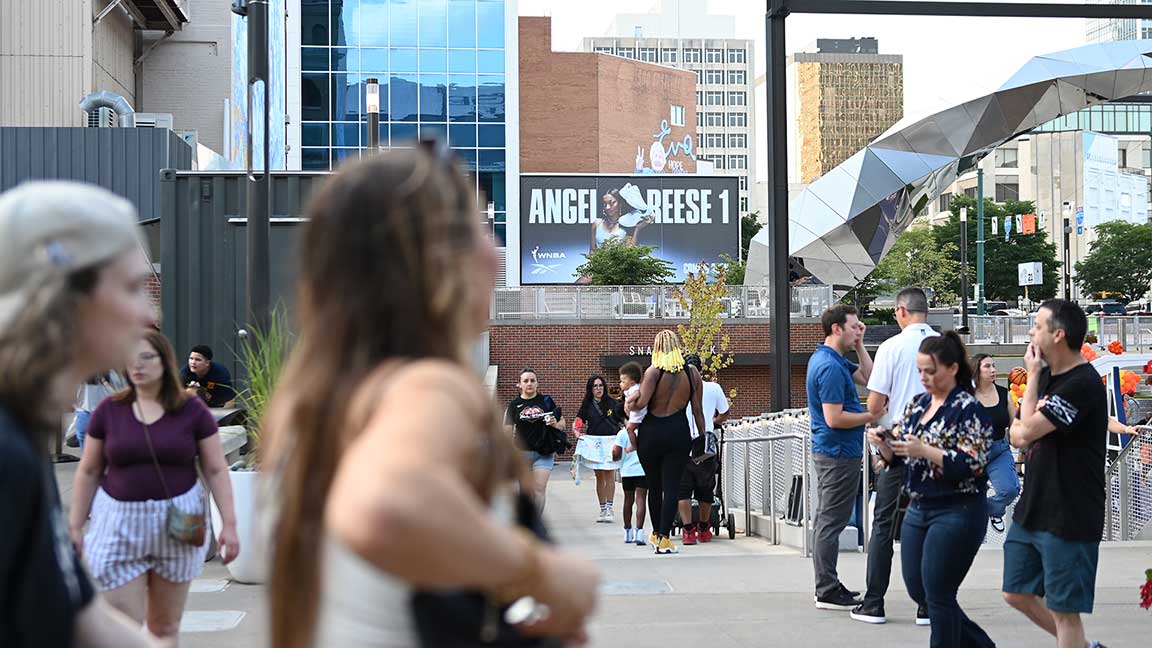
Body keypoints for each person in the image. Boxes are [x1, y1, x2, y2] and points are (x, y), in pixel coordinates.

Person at [262, 147, 599, 648]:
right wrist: (542, 572)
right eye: (477, 228)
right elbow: (386, 506)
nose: (495, 248)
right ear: (431, 259)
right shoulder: (426, 387)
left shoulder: (314, 397)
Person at [0, 180, 173, 647]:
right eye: (134, 287)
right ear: (63, 298)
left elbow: (78, 614)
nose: (148, 313)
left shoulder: (21, 435)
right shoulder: (5, 453)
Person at [70, 330, 240, 643]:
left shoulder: (192, 411)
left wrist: (228, 524)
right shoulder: (109, 411)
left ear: (164, 361)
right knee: (125, 627)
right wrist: (76, 526)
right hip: (119, 522)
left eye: (147, 357)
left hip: (180, 518)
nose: (138, 365)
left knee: (165, 627)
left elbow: (216, 469)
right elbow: (90, 470)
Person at [875, 332, 995, 647]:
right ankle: (981, 645)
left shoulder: (968, 409)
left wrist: (926, 451)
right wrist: (885, 447)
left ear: (953, 368)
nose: (924, 378)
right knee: (920, 590)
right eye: (920, 371)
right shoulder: (918, 404)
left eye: (931, 371)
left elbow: (973, 463)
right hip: (919, 505)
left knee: (939, 592)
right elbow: (901, 452)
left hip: (959, 507)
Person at [1004, 300, 1109, 648]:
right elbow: (1017, 434)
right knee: (1016, 592)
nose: (1031, 333)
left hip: (1071, 512)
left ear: (1058, 334)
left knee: (1066, 612)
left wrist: (1031, 379)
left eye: (1037, 326)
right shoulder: (1047, 375)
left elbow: (1025, 432)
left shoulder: (1082, 385)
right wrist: (1035, 377)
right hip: (1034, 505)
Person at [853, 286, 938, 625]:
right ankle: (928, 604)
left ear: (901, 311)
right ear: (926, 311)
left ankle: (874, 602)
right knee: (931, 522)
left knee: (884, 523)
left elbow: (874, 406)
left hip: (896, 445)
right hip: (935, 447)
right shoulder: (945, 346)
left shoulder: (891, 347)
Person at [807, 304, 876, 610]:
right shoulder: (831, 367)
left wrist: (860, 345)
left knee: (829, 520)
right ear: (836, 329)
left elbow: (870, 378)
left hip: (836, 452)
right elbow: (834, 418)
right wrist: (871, 416)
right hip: (837, 453)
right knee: (831, 522)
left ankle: (828, 585)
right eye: (853, 327)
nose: (857, 330)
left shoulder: (832, 359)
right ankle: (827, 589)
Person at [631, 330, 707, 554]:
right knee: (672, 486)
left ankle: (656, 534)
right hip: (678, 433)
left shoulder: (653, 372)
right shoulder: (692, 374)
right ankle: (665, 537)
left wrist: (629, 402)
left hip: (652, 433)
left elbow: (642, 403)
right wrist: (702, 437)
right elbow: (697, 410)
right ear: (677, 346)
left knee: (654, 487)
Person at [678, 353, 730, 546]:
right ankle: (703, 527)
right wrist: (713, 421)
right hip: (705, 441)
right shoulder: (713, 388)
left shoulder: (678, 390)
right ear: (700, 369)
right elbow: (724, 412)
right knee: (705, 488)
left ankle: (687, 530)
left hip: (682, 442)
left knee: (682, 489)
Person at [504, 368, 568, 512]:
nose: (529, 383)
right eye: (525, 381)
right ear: (519, 384)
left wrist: (555, 424)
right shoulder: (514, 405)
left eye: (532, 380)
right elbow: (507, 431)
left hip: (544, 452)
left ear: (537, 383)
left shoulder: (546, 401)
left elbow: (562, 424)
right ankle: (527, 522)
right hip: (522, 453)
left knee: (539, 488)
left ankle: (536, 522)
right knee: (525, 491)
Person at [972, 353, 1020, 533]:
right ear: (976, 369)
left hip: (999, 449)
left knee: (1011, 490)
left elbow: (1014, 424)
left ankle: (991, 510)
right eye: (987, 366)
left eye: (994, 366)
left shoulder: (1003, 393)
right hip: (973, 452)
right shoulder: (967, 395)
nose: (993, 370)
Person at [573, 375, 624, 523]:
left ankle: (610, 507)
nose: (598, 388)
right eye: (595, 386)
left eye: (600, 385)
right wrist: (577, 430)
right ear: (591, 389)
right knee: (599, 476)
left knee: (609, 475)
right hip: (594, 444)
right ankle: (602, 509)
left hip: (610, 442)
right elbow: (579, 420)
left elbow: (623, 418)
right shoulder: (587, 405)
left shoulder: (613, 403)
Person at [614, 362, 649, 545]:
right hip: (643, 469)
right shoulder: (646, 430)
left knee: (628, 500)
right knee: (641, 499)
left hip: (627, 471)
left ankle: (627, 531)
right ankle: (640, 532)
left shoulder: (622, 433)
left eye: (622, 381)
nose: (620, 384)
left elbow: (615, 453)